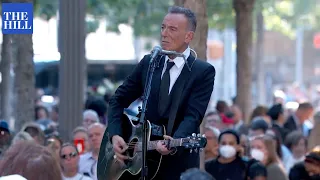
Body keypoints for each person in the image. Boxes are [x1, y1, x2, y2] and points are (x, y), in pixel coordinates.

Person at [106, 6, 215, 180]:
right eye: (163, 27)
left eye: (172, 29)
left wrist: (174, 142)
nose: (164, 33)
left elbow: (192, 116)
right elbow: (118, 99)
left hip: (178, 166)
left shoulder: (202, 71)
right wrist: (115, 134)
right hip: (139, 164)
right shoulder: (150, 63)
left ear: (189, 36)